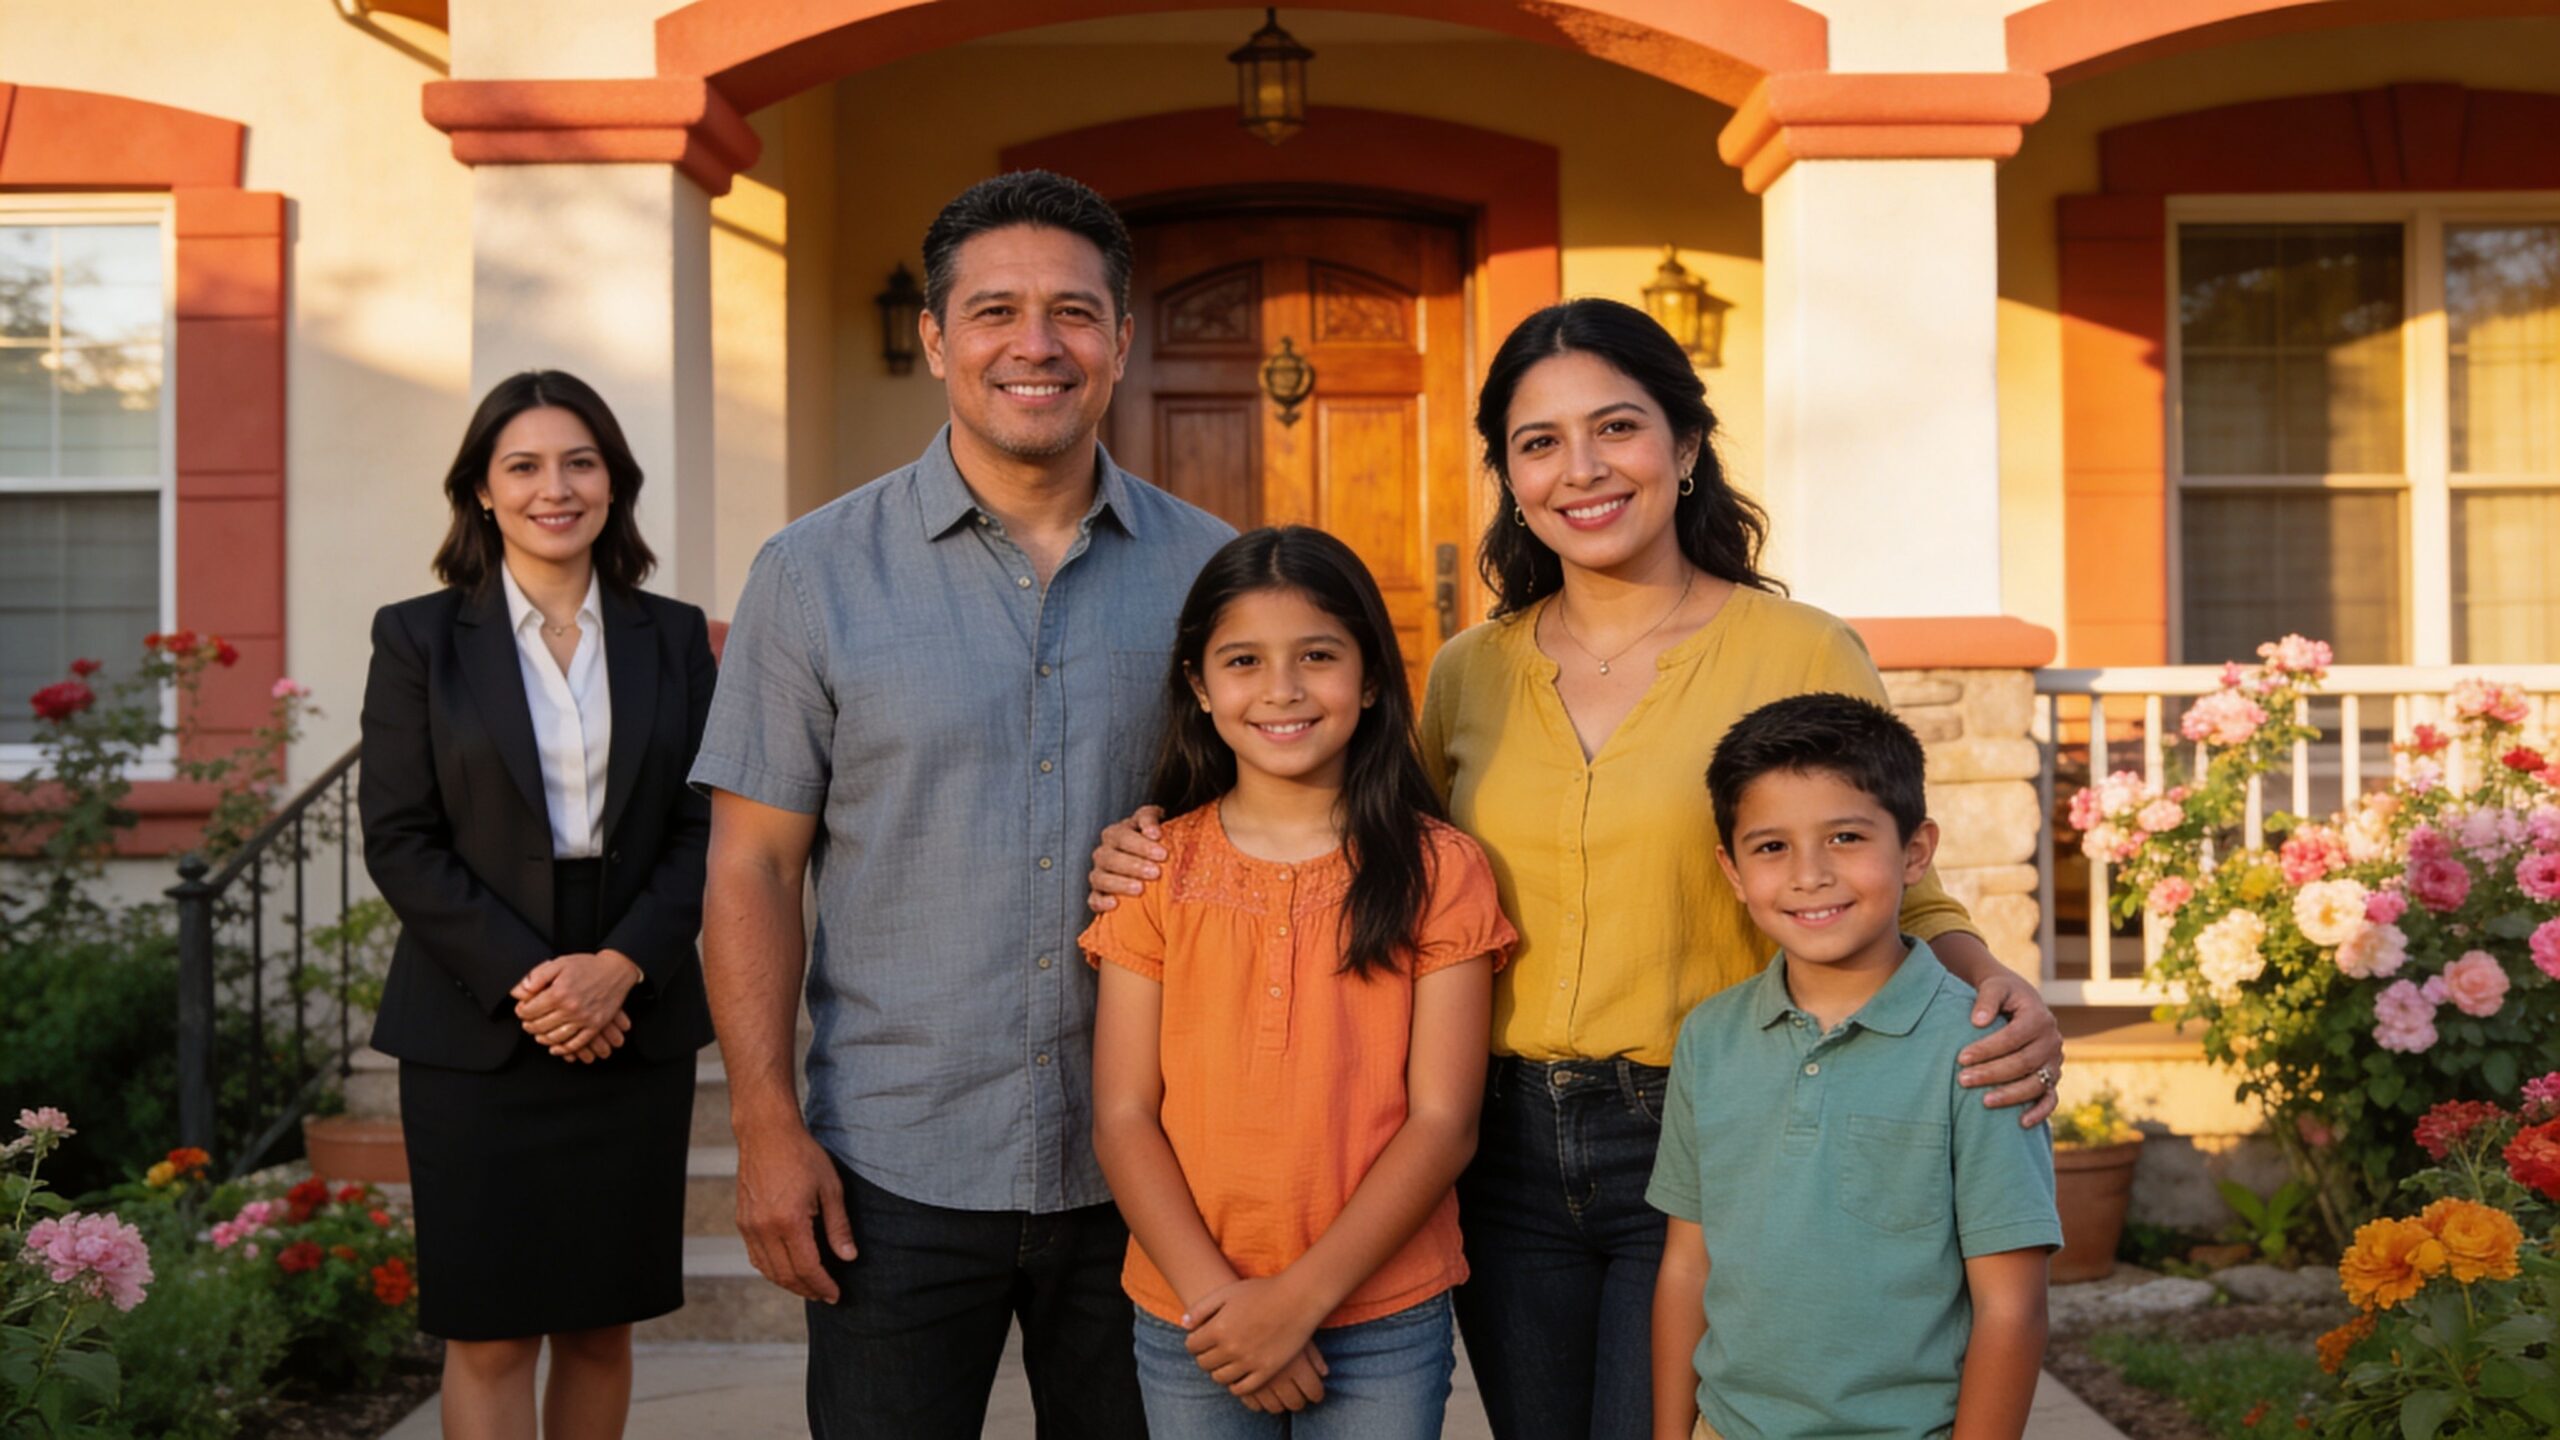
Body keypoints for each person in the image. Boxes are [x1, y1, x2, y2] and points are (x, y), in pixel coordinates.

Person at [1092, 297, 2066, 1440]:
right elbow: (1371, 845)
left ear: (1685, 445)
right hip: (1498, 1144)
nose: (1581, 470)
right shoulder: (1471, 670)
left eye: (1616, 427)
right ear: (1510, 477)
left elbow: (1891, 866)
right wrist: (1156, 850)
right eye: (1539, 442)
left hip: (1703, 1119)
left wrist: (1990, 985)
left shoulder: (1796, 649)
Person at [690, 170, 1234, 1437]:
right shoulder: (811, 574)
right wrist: (766, 1125)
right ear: (936, 339)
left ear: (1120, 341)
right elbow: (752, 867)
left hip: (1156, 1167)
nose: (1035, 344)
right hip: (892, 1167)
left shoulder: (1214, 572)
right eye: (994, 311)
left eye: (1072, 312)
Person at [1085, 527, 1516, 1439]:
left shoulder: (1442, 871)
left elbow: (1444, 1121)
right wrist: (1221, 1306)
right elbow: (1123, 1114)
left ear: (1371, 679)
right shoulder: (1153, 870)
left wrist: (1296, 1304)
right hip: (1192, 1311)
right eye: (1243, 660)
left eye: (1318, 656)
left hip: (1382, 1311)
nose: (1282, 689)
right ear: (1200, 686)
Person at [360, 370, 719, 1440]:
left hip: (632, 1014)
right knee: (491, 1333)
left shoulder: (675, 637)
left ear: (614, 483)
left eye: (579, 463)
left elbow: (709, 823)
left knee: (603, 1325)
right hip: (475, 1025)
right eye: (523, 466)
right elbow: (400, 836)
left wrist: (621, 968)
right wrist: (541, 984)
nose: (553, 489)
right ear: (481, 488)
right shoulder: (419, 637)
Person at [1650, 692, 2058, 1440]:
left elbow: (2012, 1306)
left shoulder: (1982, 1050)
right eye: (1771, 847)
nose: (1809, 875)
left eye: (1844, 837)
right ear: (1732, 870)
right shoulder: (1709, 1039)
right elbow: (1686, 1266)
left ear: (1915, 851)